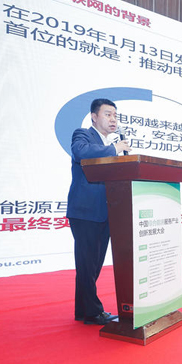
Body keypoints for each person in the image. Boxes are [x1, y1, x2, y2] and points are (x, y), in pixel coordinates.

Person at [67, 98, 130, 325]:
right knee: (86, 263)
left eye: (115, 115)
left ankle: (83, 311)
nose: (113, 119)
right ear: (94, 117)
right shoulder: (83, 135)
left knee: (93, 264)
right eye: (108, 114)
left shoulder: (112, 144)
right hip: (85, 211)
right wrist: (114, 149)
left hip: (107, 212)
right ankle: (93, 312)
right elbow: (80, 152)